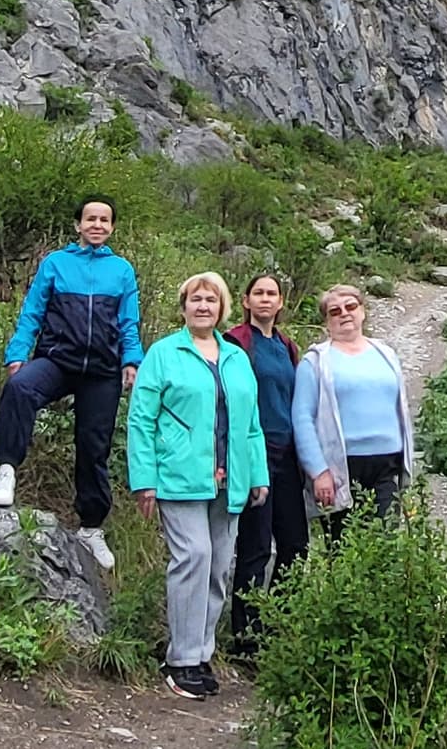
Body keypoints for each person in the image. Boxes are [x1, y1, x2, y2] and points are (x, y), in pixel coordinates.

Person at [124, 270, 266, 699]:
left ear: (223, 308)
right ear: (183, 307)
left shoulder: (236, 357)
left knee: (220, 565)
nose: (202, 306)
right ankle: (180, 658)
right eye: (195, 299)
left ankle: (202, 653)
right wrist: (143, 480)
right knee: (194, 557)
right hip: (179, 477)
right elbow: (141, 419)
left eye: (210, 300)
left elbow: (251, 423)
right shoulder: (165, 354)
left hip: (230, 480)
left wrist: (258, 474)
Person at [0, 198, 140, 572]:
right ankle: (7, 469)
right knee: (21, 388)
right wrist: (18, 352)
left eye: (105, 220)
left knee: (94, 445)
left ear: (112, 228)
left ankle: (91, 527)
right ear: (78, 224)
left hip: (102, 370)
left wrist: (132, 360)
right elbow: (32, 311)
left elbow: (128, 323)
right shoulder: (56, 263)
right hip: (58, 360)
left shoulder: (122, 270)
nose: (97, 225)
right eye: (91, 218)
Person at [222, 272, 308, 659]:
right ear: (245, 300)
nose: (265, 299)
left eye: (272, 293)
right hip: (253, 452)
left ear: (281, 302)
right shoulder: (236, 343)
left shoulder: (288, 346)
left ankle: (278, 624)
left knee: (295, 544)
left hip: (287, 453)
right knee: (255, 546)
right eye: (258, 293)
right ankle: (246, 637)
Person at [293, 284, 414, 530]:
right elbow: (302, 418)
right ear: (327, 321)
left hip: (387, 464)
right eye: (335, 311)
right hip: (342, 468)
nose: (344, 314)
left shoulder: (386, 354)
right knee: (343, 548)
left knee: (384, 543)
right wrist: (318, 471)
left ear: (362, 311)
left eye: (350, 307)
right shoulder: (315, 362)